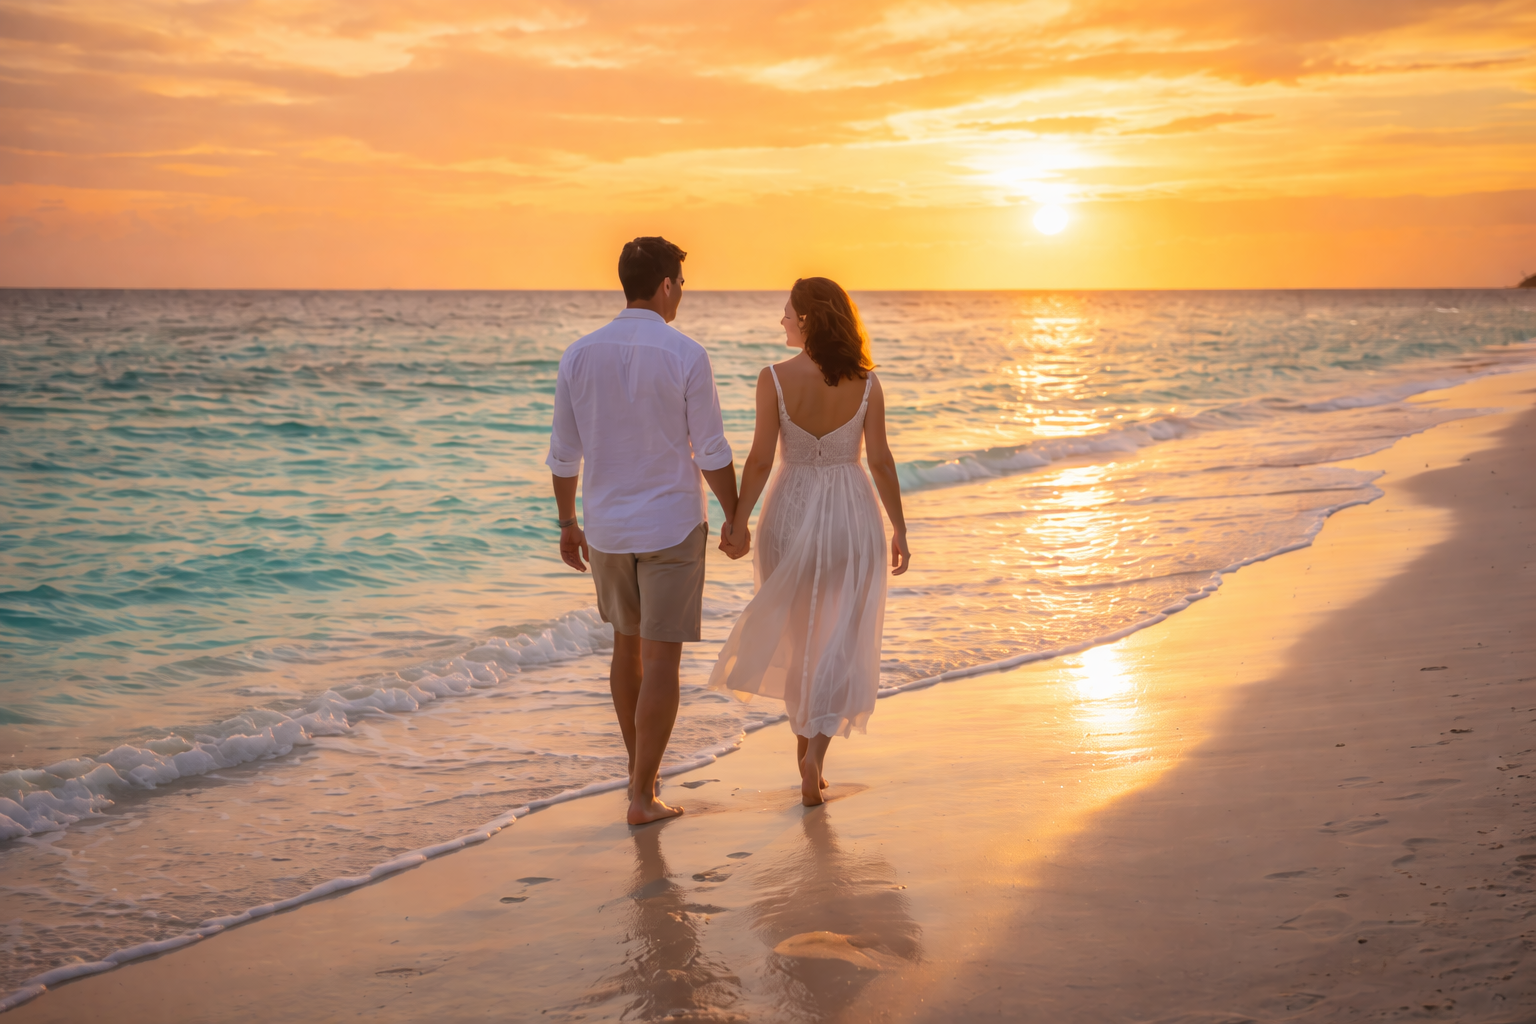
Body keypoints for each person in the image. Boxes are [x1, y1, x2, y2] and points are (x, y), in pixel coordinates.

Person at [547, 236, 741, 825]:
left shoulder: (578, 355)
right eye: (681, 282)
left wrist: (567, 523)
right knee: (662, 663)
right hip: (672, 525)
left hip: (606, 528)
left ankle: (642, 782)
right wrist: (736, 515)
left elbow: (562, 456)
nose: (682, 293)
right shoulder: (686, 354)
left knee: (624, 651)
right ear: (664, 285)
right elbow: (710, 450)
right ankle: (641, 795)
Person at [708, 277, 910, 807]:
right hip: (851, 510)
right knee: (840, 636)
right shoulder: (867, 383)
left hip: (790, 507)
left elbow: (756, 460)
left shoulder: (773, 378)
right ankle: (815, 758)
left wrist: (737, 521)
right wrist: (900, 528)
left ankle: (805, 759)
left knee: (800, 636)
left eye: (788, 314)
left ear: (809, 319)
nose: (782, 322)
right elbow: (882, 461)